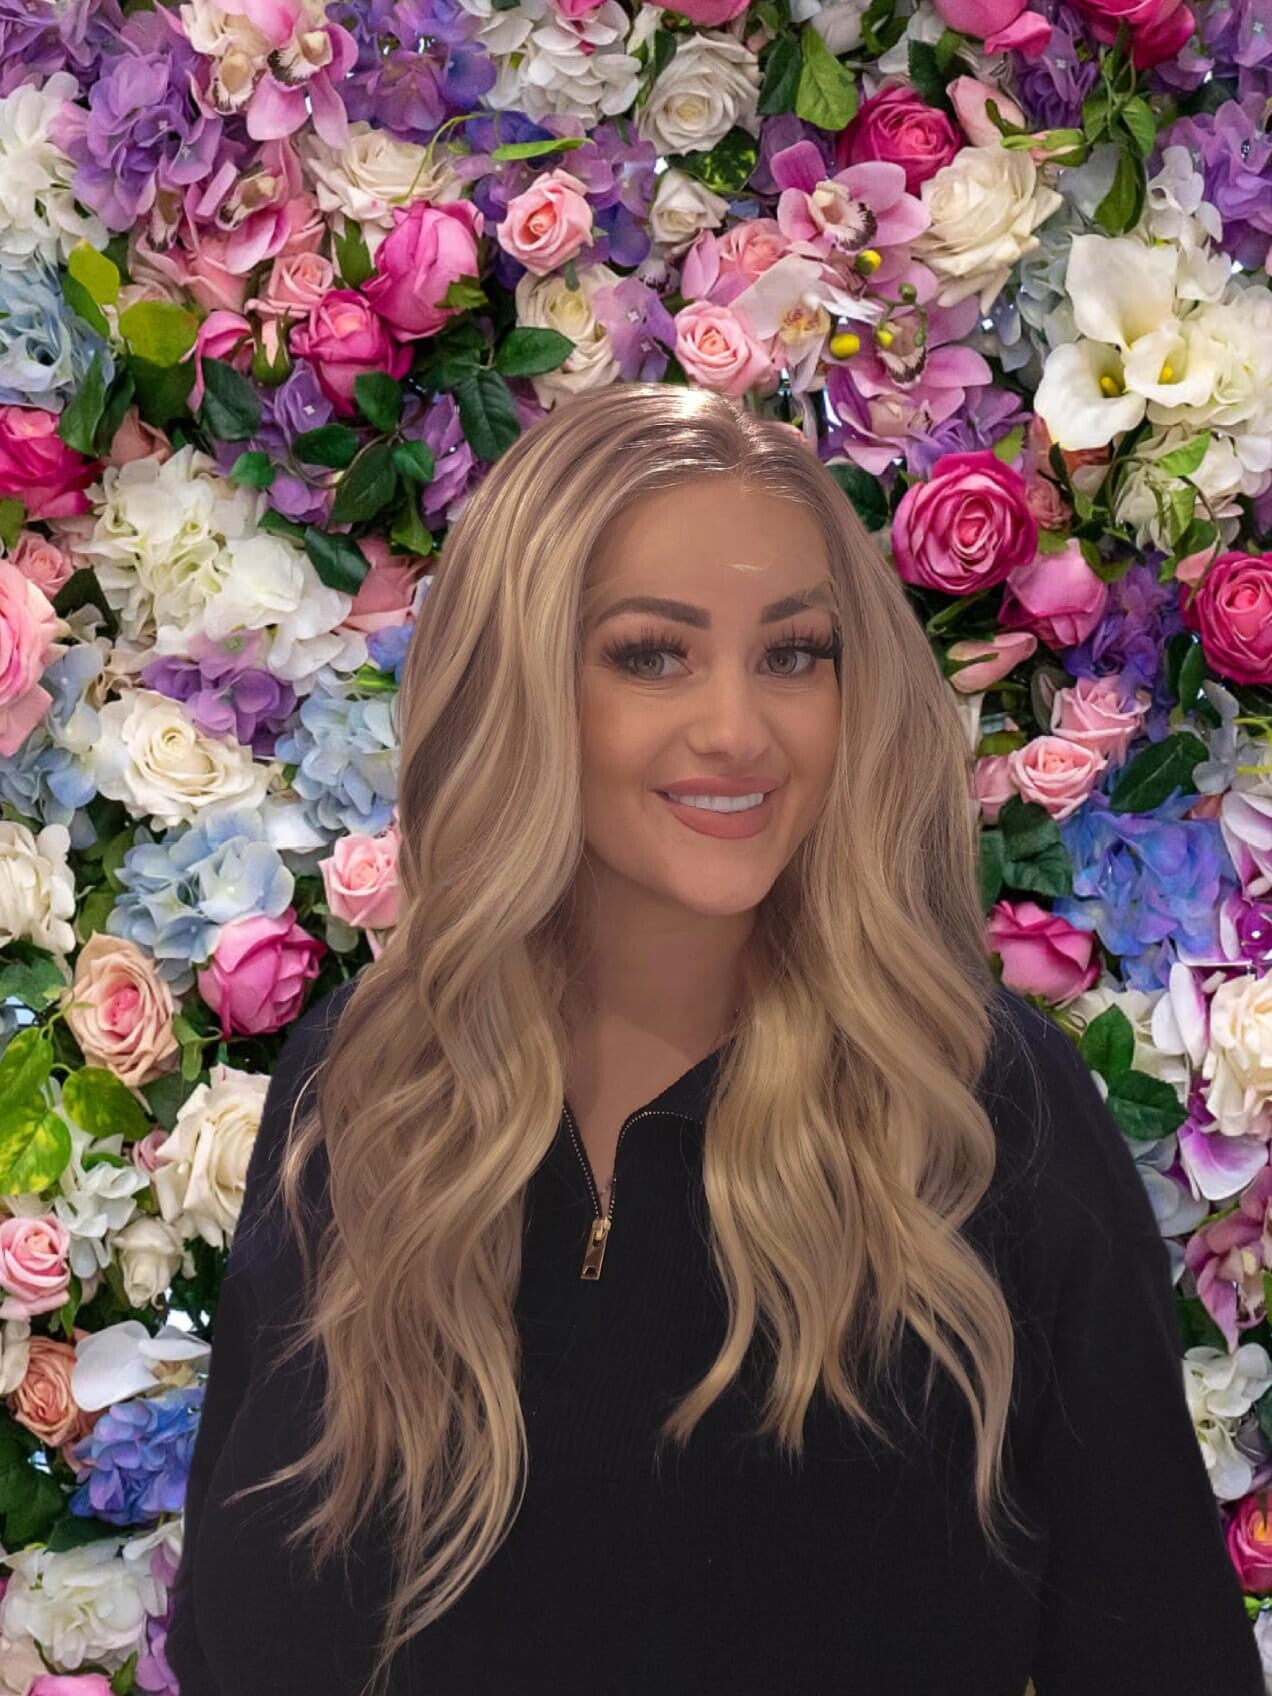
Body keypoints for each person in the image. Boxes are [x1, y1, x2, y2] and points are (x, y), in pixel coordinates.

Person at [164, 385, 1264, 1696]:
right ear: (517, 684)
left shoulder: (987, 1112)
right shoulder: (363, 1081)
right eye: (651, 654)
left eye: (793, 654)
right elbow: (224, 1639)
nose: (740, 730)